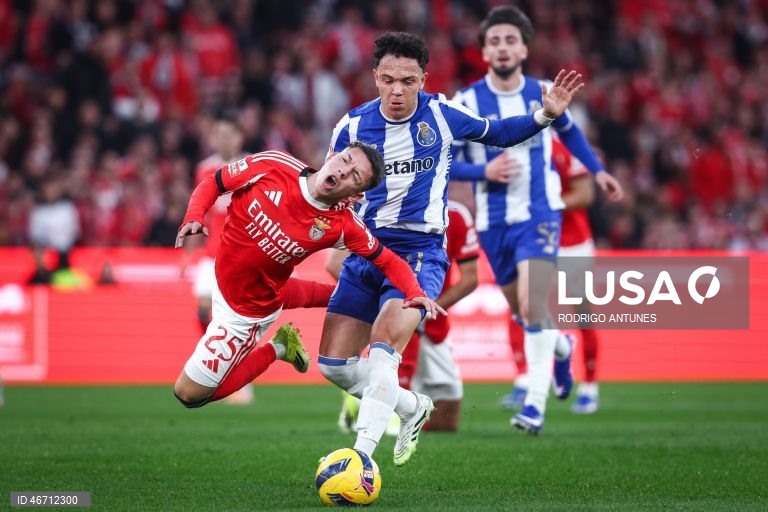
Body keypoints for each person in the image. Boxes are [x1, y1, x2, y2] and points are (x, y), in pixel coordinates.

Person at [318, 30, 584, 465]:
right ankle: (411, 406)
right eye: (388, 80)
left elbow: (496, 133)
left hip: (419, 251)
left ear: (423, 78)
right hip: (366, 249)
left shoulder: (441, 114)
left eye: (407, 80)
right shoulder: (350, 125)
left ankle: (361, 459)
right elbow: (334, 188)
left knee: (385, 350)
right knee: (334, 365)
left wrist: (544, 116)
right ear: (375, 77)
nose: (397, 90)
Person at [449, 6, 623, 434]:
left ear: (524, 48)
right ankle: (560, 346)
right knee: (527, 313)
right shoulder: (464, 103)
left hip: (540, 215)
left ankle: (534, 406)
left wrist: (596, 169)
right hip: (492, 221)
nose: (503, 47)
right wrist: (482, 172)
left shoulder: (546, 91)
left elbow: (571, 134)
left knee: (532, 303)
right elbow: (442, 162)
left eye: (511, 40)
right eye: (495, 41)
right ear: (484, 51)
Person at [172, 142, 444, 409]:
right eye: (345, 161)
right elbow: (215, 182)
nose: (342, 172)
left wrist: (415, 291)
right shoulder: (275, 164)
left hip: (243, 312)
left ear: (355, 196)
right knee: (293, 292)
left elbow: (387, 260)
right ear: (334, 155)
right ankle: (355, 306)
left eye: (355, 176)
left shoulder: (342, 225)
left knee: (189, 394)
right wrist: (194, 215)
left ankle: (279, 348)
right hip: (227, 273)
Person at [334, 200, 480, 433]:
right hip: (392, 315)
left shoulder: (456, 215)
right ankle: (369, 433)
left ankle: (362, 401)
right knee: (389, 408)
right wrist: (375, 302)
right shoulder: (371, 208)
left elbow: (472, 278)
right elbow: (333, 264)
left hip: (432, 325)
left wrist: (425, 309)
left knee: (446, 423)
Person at [500, 138, 601, 414]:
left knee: (583, 312)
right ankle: (522, 380)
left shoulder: (567, 147)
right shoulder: (514, 146)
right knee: (521, 306)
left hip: (573, 242)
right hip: (534, 238)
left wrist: (545, 205)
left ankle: (590, 386)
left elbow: (585, 195)